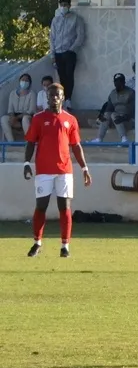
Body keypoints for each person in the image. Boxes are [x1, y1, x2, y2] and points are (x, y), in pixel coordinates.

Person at [22, 84, 92, 258]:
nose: (54, 97)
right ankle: (37, 243)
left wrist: (84, 168)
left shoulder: (70, 119)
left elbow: (76, 145)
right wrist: (26, 163)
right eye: (51, 95)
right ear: (47, 97)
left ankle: (65, 246)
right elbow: (30, 142)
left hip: (64, 171)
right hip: (44, 170)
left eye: (57, 95)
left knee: (64, 207)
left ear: (62, 97)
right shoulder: (38, 118)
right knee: (41, 206)